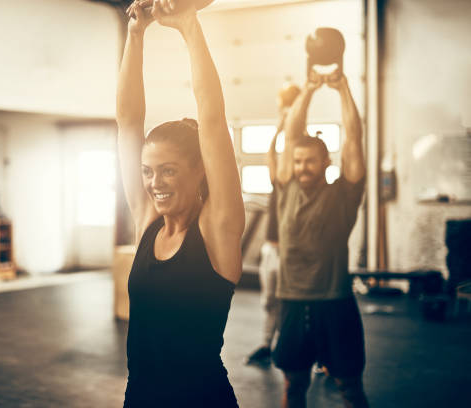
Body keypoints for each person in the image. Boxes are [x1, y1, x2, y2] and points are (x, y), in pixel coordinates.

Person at [116, 0, 245, 406]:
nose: (155, 183)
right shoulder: (148, 221)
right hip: (139, 397)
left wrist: (189, 25)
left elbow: (212, 118)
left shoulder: (217, 230)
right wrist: (135, 35)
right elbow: (128, 120)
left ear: (199, 171)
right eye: (148, 171)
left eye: (169, 171)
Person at [269, 72, 369, 408]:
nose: (302, 167)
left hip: (334, 300)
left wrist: (342, 88)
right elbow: (293, 133)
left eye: (310, 161)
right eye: (297, 161)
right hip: (292, 300)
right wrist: (308, 90)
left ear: (326, 162)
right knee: (294, 385)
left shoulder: (344, 193)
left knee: (349, 386)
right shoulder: (287, 189)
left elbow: (354, 138)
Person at [247, 83, 300, 367]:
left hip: (293, 253)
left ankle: (312, 355)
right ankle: (267, 344)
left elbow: (293, 147)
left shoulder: (298, 183)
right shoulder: (278, 181)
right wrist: (280, 125)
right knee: (269, 302)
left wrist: (292, 121)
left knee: (297, 305)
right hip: (271, 250)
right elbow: (271, 154)